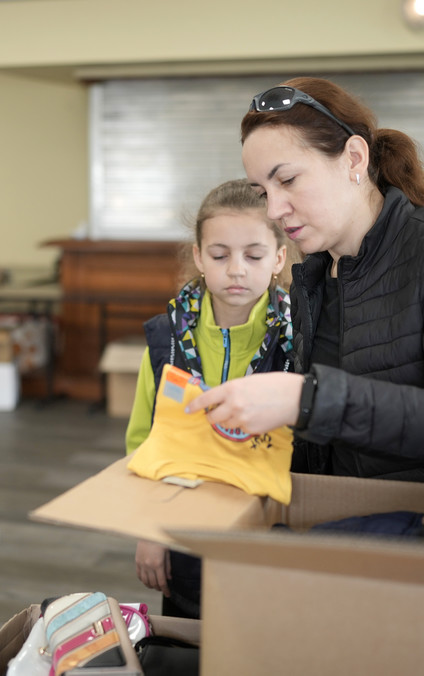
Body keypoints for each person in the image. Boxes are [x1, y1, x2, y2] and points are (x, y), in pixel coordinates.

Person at [186, 77, 424, 491]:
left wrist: (305, 398)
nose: (274, 209)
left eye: (288, 180)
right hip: (372, 521)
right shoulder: (315, 274)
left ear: (353, 158)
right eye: (263, 191)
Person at [125, 178, 294, 619]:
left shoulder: (300, 341)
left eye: (253, 255)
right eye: (220, 255)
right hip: (183, 531)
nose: (236, 269)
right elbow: (144, 442)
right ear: (199, 256)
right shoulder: (166, 339)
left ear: (279, 257)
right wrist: (151, 530)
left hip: (266, 537)